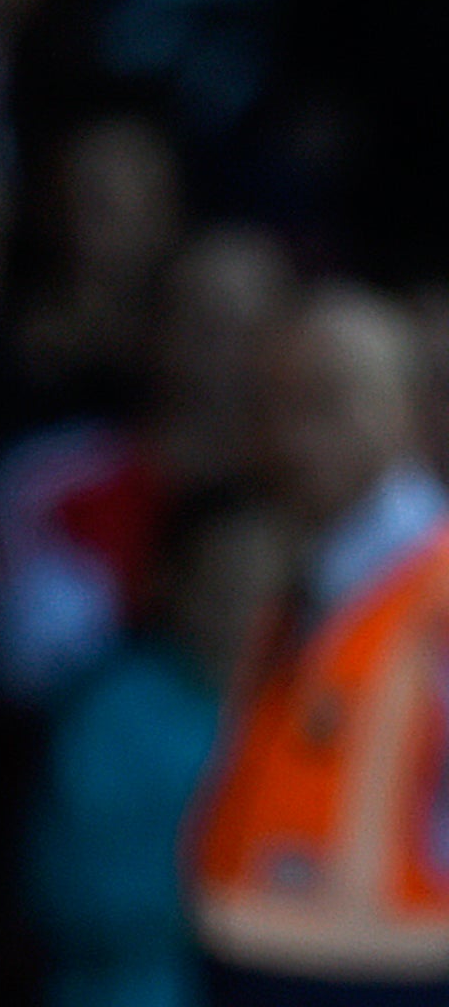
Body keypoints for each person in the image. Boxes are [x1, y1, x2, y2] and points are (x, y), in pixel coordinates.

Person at [186, 285, 449, 1005]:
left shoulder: (433, 592)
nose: (296, 434)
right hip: (268, 970)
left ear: (409, 411)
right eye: (277, 402)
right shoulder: (304, 588)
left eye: (331, 400)